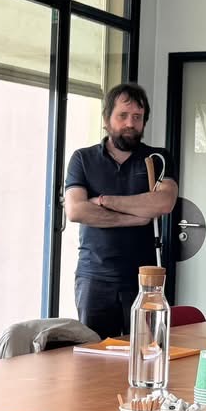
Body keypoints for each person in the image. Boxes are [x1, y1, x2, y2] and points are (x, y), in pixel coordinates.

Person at [65, 82, 178, 339]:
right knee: (94, 355)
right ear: (106, 120)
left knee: (146, 351)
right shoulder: (82, 159)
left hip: (144, 278)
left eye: (137, 117)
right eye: (123, 116)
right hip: (94, 276)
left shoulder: (157, 159)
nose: (130, 123)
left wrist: (104, 201)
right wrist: (135, 217)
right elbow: (76, 211)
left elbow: (163, 203)